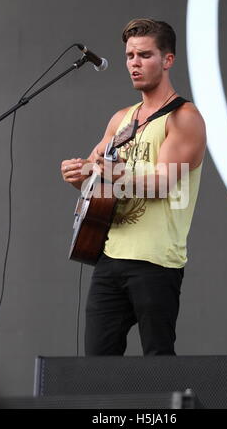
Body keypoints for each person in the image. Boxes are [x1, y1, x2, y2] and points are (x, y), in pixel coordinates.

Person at [61, 18, 206, 356]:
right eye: (129, 56)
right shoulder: (122, 118)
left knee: (157, 363)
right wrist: (78, 174)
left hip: (155, 261)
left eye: (144, 55)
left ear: (167, 60)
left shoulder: (184, 117)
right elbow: (96, 179)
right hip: (110, 256)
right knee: (97, 365)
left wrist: (110, 173)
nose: (134, 64)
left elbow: (163, 183)